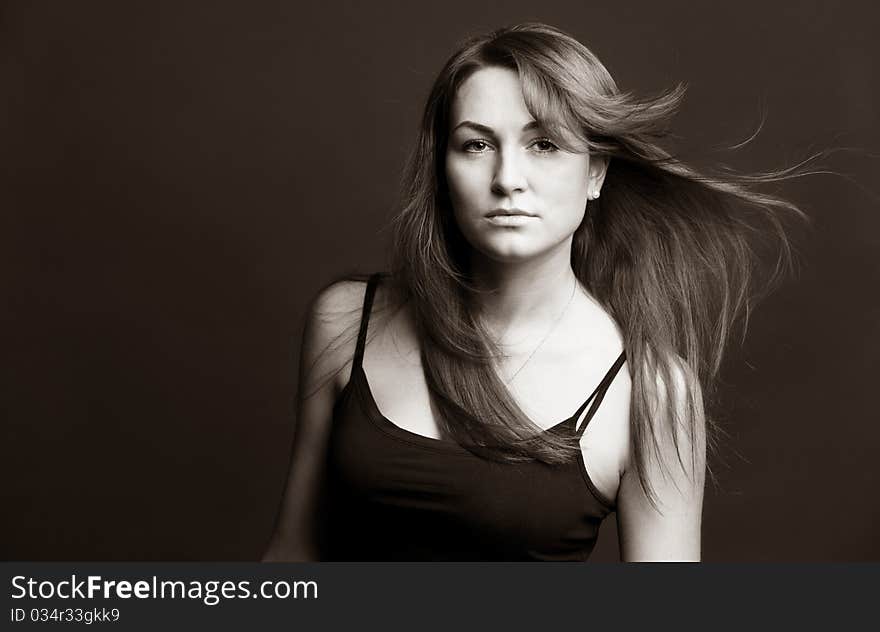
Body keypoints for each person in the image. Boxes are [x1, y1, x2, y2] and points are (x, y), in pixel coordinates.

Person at [262, 23, 805, 561]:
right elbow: (291, 557)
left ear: (595, 173)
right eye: (476, 145)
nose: (507, 178)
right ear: (442, 169)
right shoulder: (348, 321)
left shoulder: (650, 392)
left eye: (543, 144)